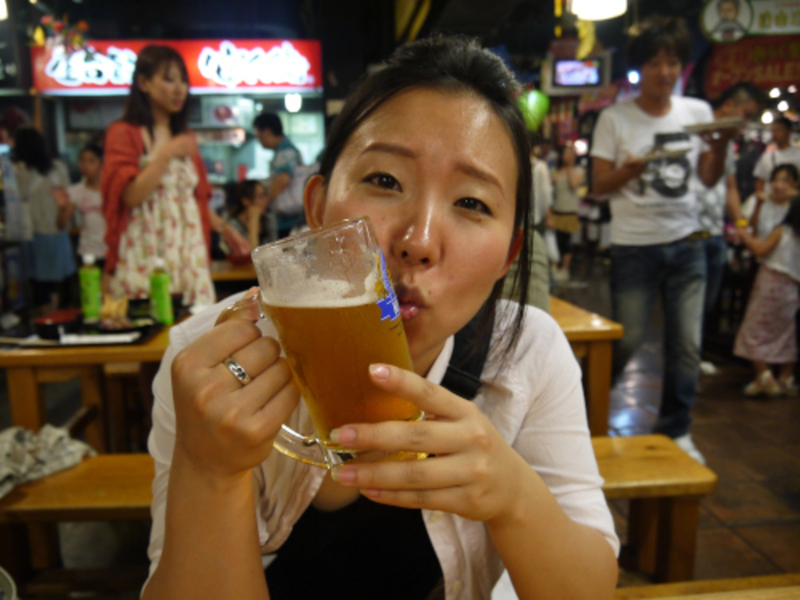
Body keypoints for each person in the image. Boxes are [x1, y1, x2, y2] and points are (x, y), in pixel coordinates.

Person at [142, 37, 619, 600]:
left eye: (471, 203)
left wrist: (513, 496)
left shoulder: (528, 352)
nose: (418, 242)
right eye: (385, 181)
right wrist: (211, 472)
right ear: (317, 208)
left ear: (508, 258)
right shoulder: (212, 365)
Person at [590, 16, 734, 464]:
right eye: (654, 62)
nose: (665, 71)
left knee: (686, 345)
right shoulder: (615, 118)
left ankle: (676, 428)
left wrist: (720, 146)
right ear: (639, 68)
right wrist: (627, 172)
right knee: (627, 340)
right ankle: (583, 410)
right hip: (634, 246)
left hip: (688, 243)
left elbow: (708, 178)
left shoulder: (698, 112)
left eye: (672, 62)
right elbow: (598, 185)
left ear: (682, 66)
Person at [101, 45, 247, 306]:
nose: (180, 89)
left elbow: (193, 200)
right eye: (169, 79)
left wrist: (226, 230)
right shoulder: (124, 132)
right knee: (150, 320)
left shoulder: (186, 137)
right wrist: (167, 153)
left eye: (183, 81)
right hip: (145, 250)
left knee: (196, 321)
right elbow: (130, 197)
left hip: (189, 250)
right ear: (143, 83)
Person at [694, 82, 764, 375]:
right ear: (728, 106)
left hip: (714, 233)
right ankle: (687, 361)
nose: (745, 122)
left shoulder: (727, 144)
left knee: (706, 303)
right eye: (745, 114)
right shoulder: (695, 132)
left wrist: (741, 224)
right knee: (692, 304)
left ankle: (692, 357)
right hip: (689, 233)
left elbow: (730, 187)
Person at [734, 195, 800, 396]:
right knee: (786, 332)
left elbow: (760, 250)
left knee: (755, 328)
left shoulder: (782, 230)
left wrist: (745, 235)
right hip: (793, 289)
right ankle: (786, 378)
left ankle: (764, 376)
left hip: (770, 284)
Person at [12, 127, 76, 314]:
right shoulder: (58, 168)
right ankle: (58, 315)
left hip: (32, 233)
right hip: (58, 231)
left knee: (39, 283)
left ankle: (48, 316)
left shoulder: (18, 170)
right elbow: (69, 197)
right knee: (60, 280)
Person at [253, 112, 305, 238]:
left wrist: (265, 202)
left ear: (267, 132)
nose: (258, 138)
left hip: (291, 220)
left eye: (258, 134)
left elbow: (282, 179)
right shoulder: (284, 150)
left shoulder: (285, 151)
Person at [68, 143, 107, 270]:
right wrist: (64, 207)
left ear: (101, 163)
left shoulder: (112, 188)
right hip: (87, 251)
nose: (85, 165)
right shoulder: (75, 191)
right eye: (82, 160)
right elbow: (61, 224)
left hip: (111, 251)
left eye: (91, 161)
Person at [551, 144, 584, 283]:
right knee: (554, 241)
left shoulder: (578, 170)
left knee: (567, 242)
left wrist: (569, 167)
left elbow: (574, 185)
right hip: (556, 211)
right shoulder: (555, 170)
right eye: (566, 153)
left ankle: (565, 270)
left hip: (569, 212)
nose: (568, 156)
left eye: (571, 154)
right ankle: (554, 268)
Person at [753, 117, 800, 201]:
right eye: (773, 130)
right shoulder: (767, 156)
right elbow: (760, 182)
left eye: (779, 130)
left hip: (793, 204)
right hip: (771, 203)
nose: (775, 134)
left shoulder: (798, 155)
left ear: (789, 131)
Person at [222, 179, 275, 251]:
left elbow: (274, 250)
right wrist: (253, 221)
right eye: (260, 196)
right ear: (246, 201)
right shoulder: (233, 225)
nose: (265, 200)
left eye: (265, 195)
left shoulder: (268, 219)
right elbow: (249, 253)